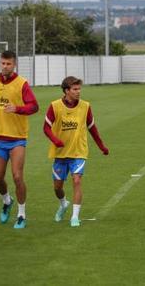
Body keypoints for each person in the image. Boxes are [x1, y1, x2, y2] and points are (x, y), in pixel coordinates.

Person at [0, 50, 39, 229]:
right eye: (3, 63)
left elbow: (34, 106)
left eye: (8, 64)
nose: (5, 66)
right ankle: (6, 201)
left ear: (14, 64)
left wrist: (17, 108)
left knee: (17, 177)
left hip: (17, 138)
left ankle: (21, 214)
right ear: (0, 63)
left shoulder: (22, 84)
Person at [43, 76, 109, 227]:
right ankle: (63, 203)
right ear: (66, 91)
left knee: (77, 180)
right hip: (60, 154)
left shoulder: (85, 106)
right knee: (57, 187)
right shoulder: (55, 106)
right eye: (75, 89)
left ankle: (75, 216)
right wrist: (55, 140)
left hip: (78, 152)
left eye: (79, 89)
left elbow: (92, 128)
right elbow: (46, 128)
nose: (78, 92)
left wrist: (101, 146)